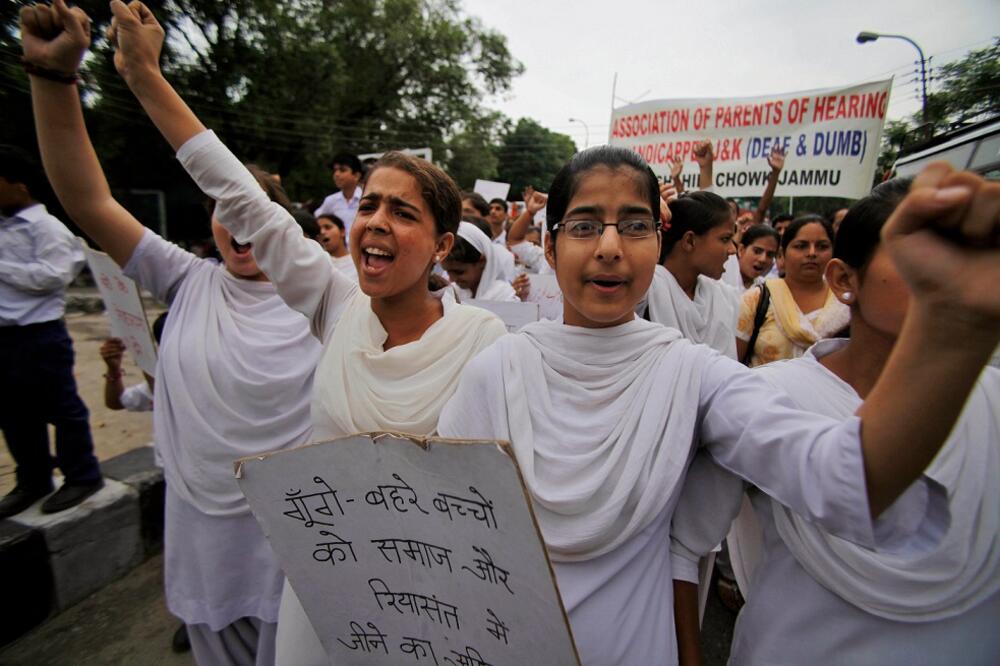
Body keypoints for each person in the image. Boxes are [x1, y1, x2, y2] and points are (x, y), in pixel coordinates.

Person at [437, 144, 1000, 665]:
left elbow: (847, 476)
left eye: (634, 226)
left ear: (657, 245)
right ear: (551, 246)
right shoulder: (495, 371)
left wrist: (951, 325)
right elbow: (451, 543)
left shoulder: (695, 375)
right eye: (585, 226)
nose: (609, 247)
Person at [86, 5, 508, 664]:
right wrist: (145, 78)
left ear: (441, 245)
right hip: (328, 592)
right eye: (368, 204)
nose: (375, 222)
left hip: (434, 600)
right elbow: (243, 196)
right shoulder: (334, 303)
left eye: (403, 211)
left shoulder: (485, 342)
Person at [20, 4, 325, 663]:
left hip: (302, 538)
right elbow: (86, 201)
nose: (237, 224)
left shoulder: (327, 294)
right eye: (223, 208)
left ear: (281, 224)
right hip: (204, 536)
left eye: (254, 208)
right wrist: (52, 77)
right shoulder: (185, 280)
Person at [726, 178, 1000, 664]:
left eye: (962, 253)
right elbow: (686, 545)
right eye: (920, 253)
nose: (945, 274)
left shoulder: (993, 399)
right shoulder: (766, 396)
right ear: (845, 280)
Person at [0, 147, 103, 520]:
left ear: (19, 186)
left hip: (39, 333)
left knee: (62, 407)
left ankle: (82, 475)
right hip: (6, 336)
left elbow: (53, 276)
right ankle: (33, 479)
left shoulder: (48, 230)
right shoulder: (3, 227)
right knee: (14, 413)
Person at [736, 215, 849, 367]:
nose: (812, 253)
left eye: (822, 246)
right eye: (801, 246)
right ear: (782, 254)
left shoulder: (846, 301)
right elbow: (735, 365)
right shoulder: (757, 299)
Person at [640, 190, 741, 358]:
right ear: (689, 241)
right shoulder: (644, 288)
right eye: (725, 239)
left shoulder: (723, 296)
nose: (732, 250)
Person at [441, 222, 519, 302]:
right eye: (448, 272)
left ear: (482, 261)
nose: (452, 279)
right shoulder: (452, 293)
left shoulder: (504, 297)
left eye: (459, 272)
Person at [312, 151, 362, 233]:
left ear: (356, 176)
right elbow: (317, 219)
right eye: (335, 170)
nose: (336, 174)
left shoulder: (365, 199)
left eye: (342, 170)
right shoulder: (331, 201)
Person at [735, 224, 780, 290]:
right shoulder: (720, 279)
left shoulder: (766, 291)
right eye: (757, 251)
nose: (763, 259)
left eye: (770, 255)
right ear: (741, 250)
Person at [315, 213, 357, 281]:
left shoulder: (358, 260)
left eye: (327, 227)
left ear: (342, 231)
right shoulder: (318, 264)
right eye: (318, 230)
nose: (322, 232)